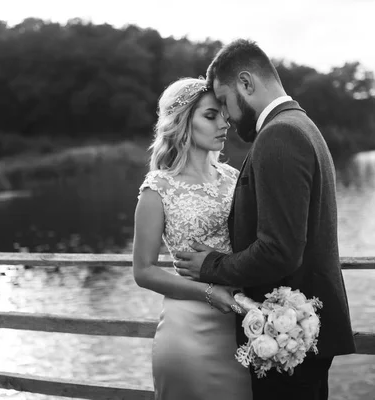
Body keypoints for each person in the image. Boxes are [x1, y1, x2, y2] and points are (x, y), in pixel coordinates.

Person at [173, 40, 357, 400]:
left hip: (289, 334)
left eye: (224, 102)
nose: (226, 116)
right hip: (303, 333)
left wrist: (210, 265)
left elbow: (279, 251)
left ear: (246, 83)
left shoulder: (279, 135)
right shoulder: (300, 124)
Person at [132, 77, 252, 400]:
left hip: (239, 328)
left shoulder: (233, 177)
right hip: (186, 332)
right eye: (210, 116)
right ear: (184, 122)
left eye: (223, 114)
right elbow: (143, 271)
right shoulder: (158, 188)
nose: (223, 123)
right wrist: (209, 292)